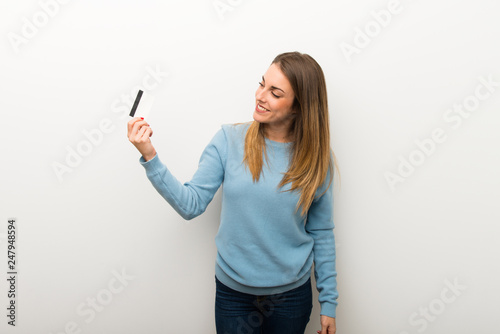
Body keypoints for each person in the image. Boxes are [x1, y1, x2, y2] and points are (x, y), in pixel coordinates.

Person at [127, 51, 339, 334]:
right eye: (261, 84)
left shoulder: (316, 159)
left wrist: (329, 303)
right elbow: (190, 205)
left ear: (299, 107)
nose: (260, 96)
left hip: (290, 298)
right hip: (233, 295)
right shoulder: (228, 140)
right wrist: (150, 156)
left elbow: (322, 233)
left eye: (275, 93)